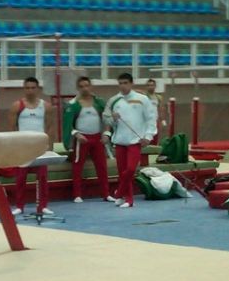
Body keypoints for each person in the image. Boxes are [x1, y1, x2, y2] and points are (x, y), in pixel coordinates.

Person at [102, 73, 157, 208]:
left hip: (135, 141)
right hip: (120, 141)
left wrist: (148, 136)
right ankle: (128, 199)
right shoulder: (114, 100)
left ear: (131, 83)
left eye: (126, 83)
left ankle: (119, 193)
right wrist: (112, 118)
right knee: (122, 172)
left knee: (131, 169)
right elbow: (105, 119)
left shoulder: (142, 99)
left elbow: (151, 118)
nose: (123, 86)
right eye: (120, 83)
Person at [8, 77, 55, 216]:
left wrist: (49, 148)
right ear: (24, 89)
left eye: (33, 88)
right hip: (23, 146)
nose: (30, 90)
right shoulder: (17, 105)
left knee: (42, 177)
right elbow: (11, 128)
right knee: (21, 178)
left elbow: (50, 127)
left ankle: (43, 206)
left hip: (39, 147)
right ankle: (19, 206)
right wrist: (14, 147)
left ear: (38, 89)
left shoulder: (46, 106)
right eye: (27, 88)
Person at [61, 76, 110, 203]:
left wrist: (106, 133)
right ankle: (77, 194)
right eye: (81, 86)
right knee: (78, 166)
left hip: (97, 138)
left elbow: (106, 119)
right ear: (78, 88)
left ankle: (106, 193)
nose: (85, 88)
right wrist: (76, 134)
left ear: (91, 86)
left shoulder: (99, 102)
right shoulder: (73, 104)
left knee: (102, 166)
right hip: (82, 138)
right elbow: (67, 124)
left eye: (87, 86)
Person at [145, 78, 167, 144]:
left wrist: (163, 122)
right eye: (148, 85)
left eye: (152, 85)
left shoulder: (158, 97)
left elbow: (161, 110)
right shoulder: (143, 96)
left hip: (155, 121)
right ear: (146, 87)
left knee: (155, 139)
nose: (150, 87)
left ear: (155, 86)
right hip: (146, 122)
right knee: (147, 139)